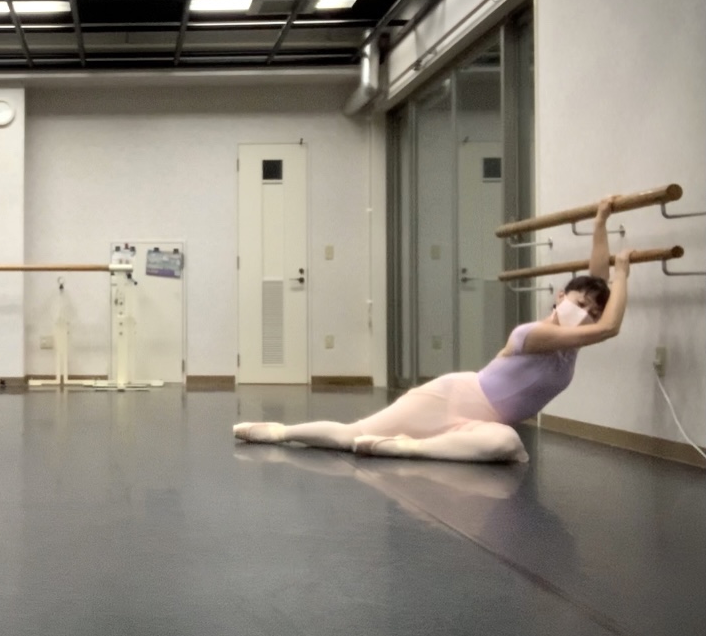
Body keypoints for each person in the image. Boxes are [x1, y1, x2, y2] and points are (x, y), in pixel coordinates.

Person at [234, 198, 633, 463]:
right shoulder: (533, 334)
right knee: (351, 435)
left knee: (506, 443)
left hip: (483, 422)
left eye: (592, 311)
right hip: (452, 397)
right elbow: (610, 326)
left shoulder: (571, 345)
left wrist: (600, 222)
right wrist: (625, 272)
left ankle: (406, 449)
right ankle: (278, 432)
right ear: (560, 297)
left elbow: (596, 279)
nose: (585, 314)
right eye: (580, 304)